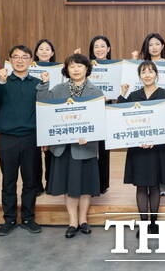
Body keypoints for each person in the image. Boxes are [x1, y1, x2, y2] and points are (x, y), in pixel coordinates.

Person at [36, 53, 103, 239]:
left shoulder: (96, 93)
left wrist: (90, 135)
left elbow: (100, 121)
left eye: (79, 66)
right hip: (63, 147)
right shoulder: (58, 89)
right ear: (66, 70)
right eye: (72, 66)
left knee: (85, 186)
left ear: (87, 69)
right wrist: (44, 84)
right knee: (69, 186)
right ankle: (72, 221)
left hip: (86, 148)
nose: (76, 69)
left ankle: (83, 220)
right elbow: (44, 107)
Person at [0, 45, 42, 236]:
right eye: (16, 57)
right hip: (8, 139)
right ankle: (9, 219)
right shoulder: (2, 81)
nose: (20, 60)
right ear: (10, 60)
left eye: (24, 57)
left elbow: (45, 110)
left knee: (30, 181)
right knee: (8, 181)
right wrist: (1, 82)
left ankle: (28, 218)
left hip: (31, 138)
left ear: (31, 61)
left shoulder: (38, 83)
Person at [117, 60, 165, 237]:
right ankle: (143, 224)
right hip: (138, 148)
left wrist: (153, 140)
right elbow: (122, 117)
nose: (147, 75)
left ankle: (154, 223)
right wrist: (122, 94)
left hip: (157, 147)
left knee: (155, 185)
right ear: (139, 76)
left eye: (150, 71)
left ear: (156, 74)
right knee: (141, 187)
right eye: (143, 72)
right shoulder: (134, 95)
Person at [130, 32, 165, 197]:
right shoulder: (139, 66)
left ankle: (162, 184)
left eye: (157, 44)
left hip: (159, 130)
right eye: (150, 44)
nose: (154, 47)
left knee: (159, 158)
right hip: (139, 132)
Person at [88, 35, 112, 195]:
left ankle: (102, 184)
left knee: (103, 149)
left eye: (103, 46)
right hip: (88, 111)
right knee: (89, 149)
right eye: (96, 46)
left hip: (106, 109)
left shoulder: (115, 66)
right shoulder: (86, 66)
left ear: (108, 49)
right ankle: (90, 182)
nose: (99, 49)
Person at [33, 39, 57, 194]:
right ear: (36, 52)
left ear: (52, 53)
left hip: (51, 115)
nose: (44, 51)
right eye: (41, 49)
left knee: (51, 153)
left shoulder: (59, 70)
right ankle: (36, 185)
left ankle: (51, 183)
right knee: (33, 155)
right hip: (32, 115)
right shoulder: (29, 68)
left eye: (47, 49)